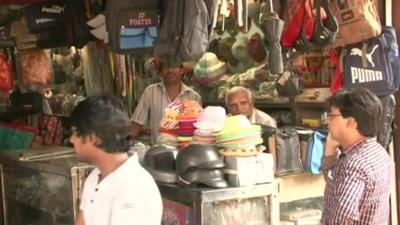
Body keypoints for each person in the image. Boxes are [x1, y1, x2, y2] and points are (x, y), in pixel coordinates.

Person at [70, 96, 162, 225]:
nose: (71, 140)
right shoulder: (94, 177)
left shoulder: (134, 186)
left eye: (75, 133)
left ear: (93, 138)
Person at [322, 88, 393, 225]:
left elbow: (341, 218)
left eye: (332, 116)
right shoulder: (379, 152)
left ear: (351, 122)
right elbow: (335, 184)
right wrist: (330, 151)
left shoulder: (354, 165)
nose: (327, 121)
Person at [130, 59, 201, 144]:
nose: (170, 70)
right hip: (158, 153)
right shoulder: (150, 92)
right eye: (166, 67)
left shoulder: (194, 97)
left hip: (185, 154)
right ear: (160, 71)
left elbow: (200, 131)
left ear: (181, 70)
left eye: (174, 66)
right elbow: (136, 125)